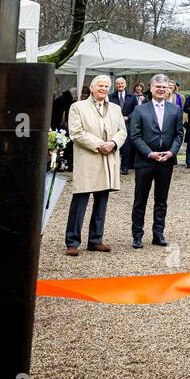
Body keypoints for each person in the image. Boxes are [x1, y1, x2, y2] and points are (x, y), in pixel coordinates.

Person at [62, 74, 127, 256]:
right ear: (92, 88)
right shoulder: (77, 107)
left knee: (101, 201)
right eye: (100, 85)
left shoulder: (115, 108)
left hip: (108, 160)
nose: (104, 89)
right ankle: (72, 241)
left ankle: (95, 240)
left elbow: (123, 130)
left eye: (107, 86)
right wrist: (100, 145)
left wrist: (113, 143)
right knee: (80, 200)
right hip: (88, 159)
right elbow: (76, 132)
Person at [128, 73, 184, 247]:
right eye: (157, 86)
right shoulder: (140, 110)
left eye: (164, 87)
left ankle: (158, 234)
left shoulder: (175, 109)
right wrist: (149, 153)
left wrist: (172, 152)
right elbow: (135, 136)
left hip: (166, 161)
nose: (161, 89)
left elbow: (179, 134)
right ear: (151, 88)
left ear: (168, 89)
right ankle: (137, 235)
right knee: (140, 199)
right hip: (145, 161)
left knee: (161, 200)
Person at [120, 81, 146, 175]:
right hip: (120, 122)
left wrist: (128, 117)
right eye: (137, 86)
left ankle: (127, 165)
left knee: (129, 145)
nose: (139, 88)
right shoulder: (131, 96)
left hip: (132, 122)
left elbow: (137, 109)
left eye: (140, 86)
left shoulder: (145, 97)